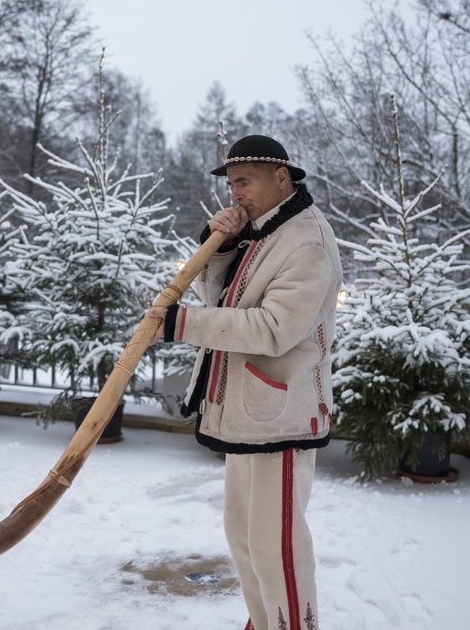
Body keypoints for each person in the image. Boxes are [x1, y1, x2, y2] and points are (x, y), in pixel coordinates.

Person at [149, 135, 342, 630]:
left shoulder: (306, 241)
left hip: (282, 415)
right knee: (243, 536)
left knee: (276, 547)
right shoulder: (263, 231)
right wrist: (222, 249)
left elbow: (274, 329)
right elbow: (223, 300)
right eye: (231, 183)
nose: (235, 192)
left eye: (245, 181)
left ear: (282, 177)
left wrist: (181, 324)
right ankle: (264, 622)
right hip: (245, 411)